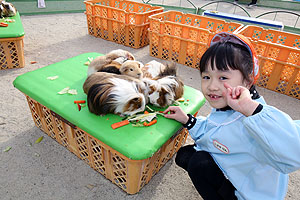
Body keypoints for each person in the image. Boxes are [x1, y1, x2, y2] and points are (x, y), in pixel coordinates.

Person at [163, 32, 300, 200]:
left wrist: (251, 109)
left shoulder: (258, 115)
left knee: (198, 163)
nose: (212, 86)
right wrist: (188, 120)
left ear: (247, 81)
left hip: (252, 195)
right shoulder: (229, 107)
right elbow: (214, 131)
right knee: (185, 155)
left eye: (223, 77)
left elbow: (294, 152)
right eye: (206, 76)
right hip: (239, 171)